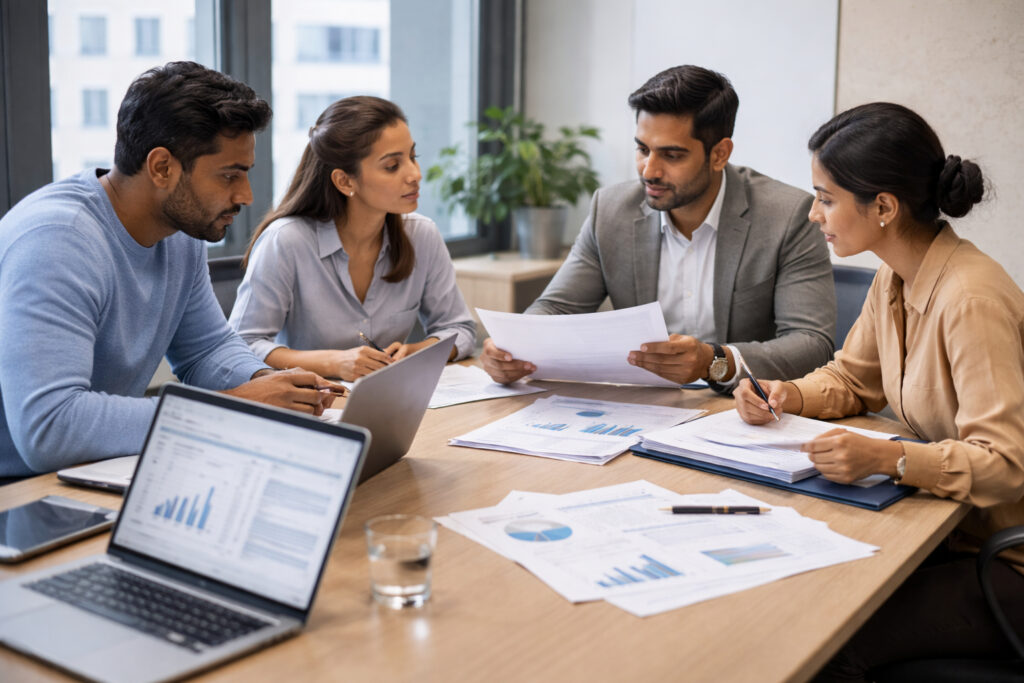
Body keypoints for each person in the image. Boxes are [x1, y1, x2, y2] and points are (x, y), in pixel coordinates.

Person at [734, 102, 1024, 679]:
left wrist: (889, 458)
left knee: (829, 642)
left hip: (1005, 563)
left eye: (826, 198)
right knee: (795, 591)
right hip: (948, 532)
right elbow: (853, 379)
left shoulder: (970, 300)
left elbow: (1006, 464)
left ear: (884, 207)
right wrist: (786, 394)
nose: (813, 213)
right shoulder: (895, 274)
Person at [0, 62, 342, 480]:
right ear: (162, 167)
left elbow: (206, 350)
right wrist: (238, 408)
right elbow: (50, 428)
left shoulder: (179, 231)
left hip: (90, 474)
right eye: (229, 176)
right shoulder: (57, 242)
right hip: (18, 492)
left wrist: (273, 385)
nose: (246, 195)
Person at [480, 65, 835, 392]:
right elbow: (555, 309)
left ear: (719, 154)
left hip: (740, 408)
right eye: (642, 149)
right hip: (643, 407)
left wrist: (713, 361)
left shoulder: (787, 216)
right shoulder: (611, 211)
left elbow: (812, 344)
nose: (649, 171)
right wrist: (512, 349)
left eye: (672, 155)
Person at [229, 96, 475, 381]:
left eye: (413, 157)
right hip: (312, 401)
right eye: (392, 166)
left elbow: (460, 330)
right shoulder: (285, 241)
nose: (415, 174)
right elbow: (243, 345)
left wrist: (415, 353)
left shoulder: (422, 235)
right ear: (345, 181)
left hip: (390, 397)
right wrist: (334, 362)